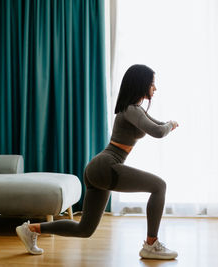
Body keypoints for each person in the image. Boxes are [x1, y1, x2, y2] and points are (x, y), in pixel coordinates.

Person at [16, 64, 179, 260]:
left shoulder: (135, 110)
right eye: (152, 83)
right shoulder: (131, 109)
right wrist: (171, 125)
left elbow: (158, 124)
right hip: (106, 166)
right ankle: (151, 245)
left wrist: (168, 123)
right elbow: (159, 131)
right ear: (142, 84)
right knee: (159, 186)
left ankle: (31, 229)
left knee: (85, 229)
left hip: (99, 168)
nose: (155, 88)